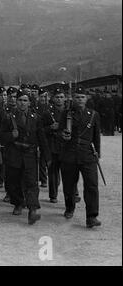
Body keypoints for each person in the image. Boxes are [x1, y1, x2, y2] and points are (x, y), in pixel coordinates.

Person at [0, 89, 51, 225]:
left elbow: (42, 138)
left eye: (25, 100)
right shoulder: (9, 117)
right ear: (16, 102)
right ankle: (18, 203)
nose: (22, 103)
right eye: (20, 100)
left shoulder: (36, 118)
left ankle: (33, 209)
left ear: (29, 103)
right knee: (13, 183)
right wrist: (11, 136)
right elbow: (1, 136)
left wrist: (47, 156)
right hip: (14, 153)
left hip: (30, 155)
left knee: (31, 183)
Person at [59, 86, 102, 228]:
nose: (80, 99)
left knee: (92, 185)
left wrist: (97, 154)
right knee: (69, 185)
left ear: (86, 98)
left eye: (82, 97)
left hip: (87, 155)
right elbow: (60, 132)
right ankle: (70, 208)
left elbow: (96, 137)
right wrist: (62, 135)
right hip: (70, 154)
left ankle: (92, 216)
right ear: (73, 99)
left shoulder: (93, 115)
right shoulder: (66, 114)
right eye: (77, 97)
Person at [42, 88, 66, 203]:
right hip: (52, 145)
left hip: (66, 145)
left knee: (69, 171)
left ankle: (73, 193)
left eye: (61, 97)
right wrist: (51, 128)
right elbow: (41, 129)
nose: (59, 99)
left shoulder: (69, 112)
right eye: (57, 97)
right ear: (53, 99)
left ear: (65, 98)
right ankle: (53, 195)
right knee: (53, 172)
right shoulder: (47, 113)